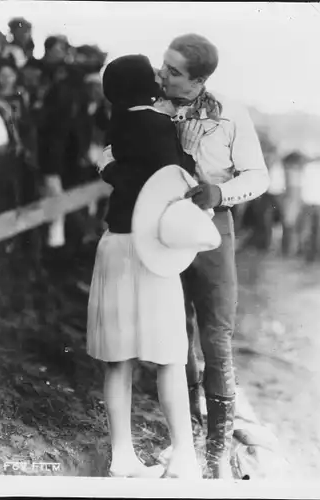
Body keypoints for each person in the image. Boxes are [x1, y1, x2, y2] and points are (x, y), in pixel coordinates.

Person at [100, 34, 270, 479]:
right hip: (154, 228)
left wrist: (222, 191)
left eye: (173, 72)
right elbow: (107, 151)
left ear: (199, 79)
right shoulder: (149, 108)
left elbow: (259, 175)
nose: (161, 75)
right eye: (163, 66)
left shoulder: (230, 113)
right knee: (175, 338)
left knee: (215, 336)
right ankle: (188, 443)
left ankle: (216, 452)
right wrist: (117, 174)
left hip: (208, 226)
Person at [87, 54, 202, 479]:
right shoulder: (159, 125)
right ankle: (185, 457)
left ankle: (122, 457)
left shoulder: (116, 127)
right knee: (169, 356)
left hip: (116, 243)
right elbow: (175, 177)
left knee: (118, 360)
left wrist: (110, 168)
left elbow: (125, 174)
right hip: (152, 248)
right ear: (143, 85)